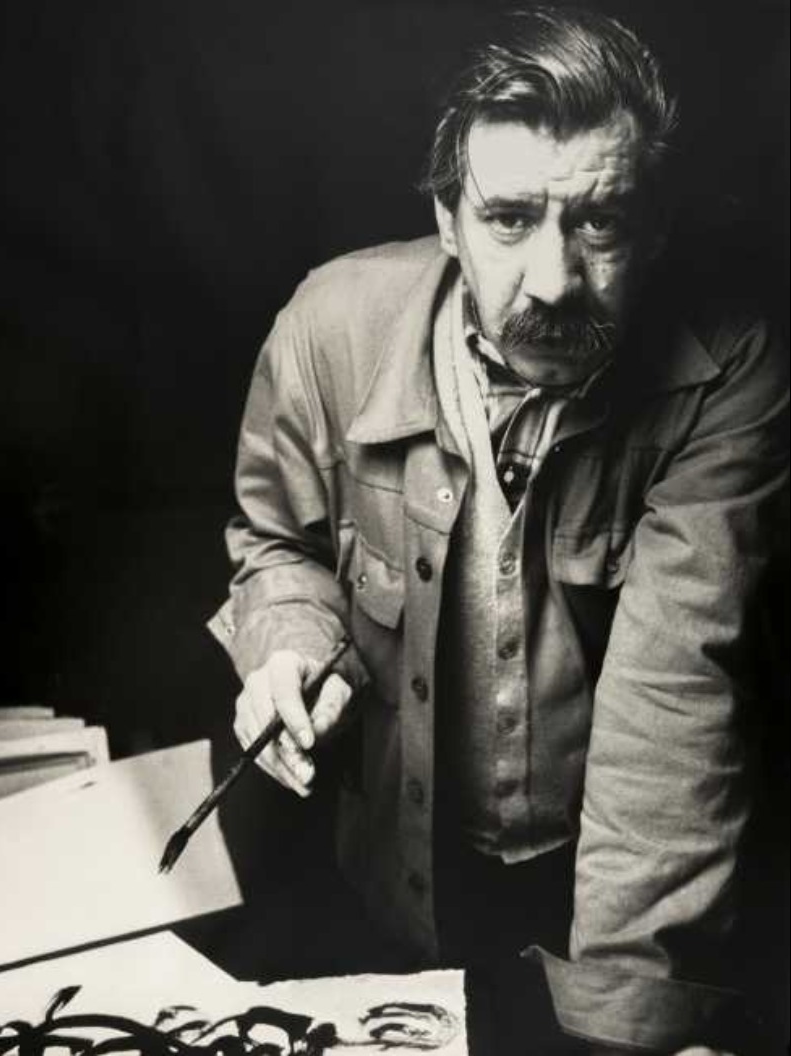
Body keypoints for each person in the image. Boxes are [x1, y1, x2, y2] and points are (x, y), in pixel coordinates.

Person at [208, 7, 788, 1054]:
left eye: (600, 224)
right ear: (447, 219)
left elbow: (676, 701)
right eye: (509, 219)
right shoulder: (326, 330)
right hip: (389, 883)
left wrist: (627, 1027)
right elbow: (275, 544)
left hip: (617, 889)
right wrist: (288, 642)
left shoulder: (729, 368)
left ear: (654, 228)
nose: (555, 281)